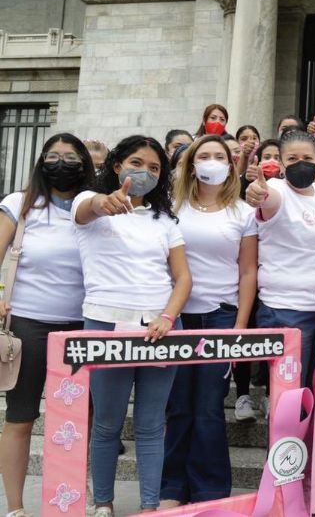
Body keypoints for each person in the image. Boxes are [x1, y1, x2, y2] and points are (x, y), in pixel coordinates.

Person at [72, 135, 192, 516]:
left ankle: (149, 507)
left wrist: (167, 317)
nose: (145, 172)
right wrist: (103, 202)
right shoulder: (90, 202)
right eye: (137, 163)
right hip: (106, 324)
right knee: (107, 423)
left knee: (152, 424)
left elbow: (183, 278)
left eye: (155, 168)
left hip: (159, 329)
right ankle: (103, 503)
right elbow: (87, 208)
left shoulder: (165, 221)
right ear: (117, 165)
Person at [160, 135, 257, 507]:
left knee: (209, 406)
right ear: (190, 163)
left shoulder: (243, 212)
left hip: (221, 314)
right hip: (177, 316)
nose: (212, 161)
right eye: (204, 155)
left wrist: (240, 327)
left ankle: (210, 491)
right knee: (178, 404)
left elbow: (248, 272)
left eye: (219, 155)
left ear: (230, 164)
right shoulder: (172, 207)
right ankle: (172, 488)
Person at [0, 134, 94, 517]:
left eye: (70, 157)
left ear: (85, 164)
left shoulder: (95, 208)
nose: (61, 162)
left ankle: (73, 497)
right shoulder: (18, 204)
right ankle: (17, 507)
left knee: (78, 420)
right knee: (20, 417)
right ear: (40, 162)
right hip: (26, 324)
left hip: (83, 327)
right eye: (53, 156)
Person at [245, 130, 315, 388]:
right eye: (292, 158)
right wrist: (258, 193)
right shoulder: (277, 190)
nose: (300, 164)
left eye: (307, 158)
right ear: (280, 163)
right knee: (289, 397)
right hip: (286, 311)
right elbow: (265, 197)